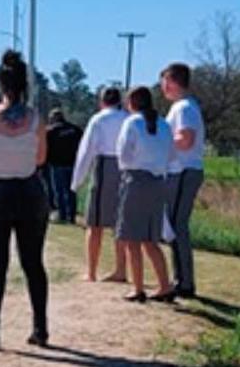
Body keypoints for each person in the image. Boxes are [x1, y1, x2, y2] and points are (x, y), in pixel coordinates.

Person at [0, 51, 51, 350]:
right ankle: (40, 329)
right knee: (33, 263)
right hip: (30, 193)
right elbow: (41, 157)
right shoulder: (36, 120)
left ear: (0, 85)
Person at [113, 86, 176, 304]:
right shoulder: (165, 125)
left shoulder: (132, 123)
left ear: (132, 103)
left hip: (136, 180)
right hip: (158, 182)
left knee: (132, 238)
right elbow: (171, 154)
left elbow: (123, 154)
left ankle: (138, 288)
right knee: (151, 239)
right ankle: (164, 285)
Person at [72, 86, 130, 283]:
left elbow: (86, 151)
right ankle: (121, 269)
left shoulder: (98, 119)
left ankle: (91, 271)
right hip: (126, 168)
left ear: (102, 101)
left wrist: (77, 180)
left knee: (95, 223)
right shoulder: (127, 118)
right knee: (120, 224)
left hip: (105, 165)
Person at [160, 62, 205, 299]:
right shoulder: (184, 107)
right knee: (176, 226)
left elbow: (186, 139)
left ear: (171, 81)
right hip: (184, 170)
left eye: (164, 82)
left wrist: (160, 143)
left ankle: (185, 282)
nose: (163, 88)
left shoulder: (183, 108)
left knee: (177, 226)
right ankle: (181, 278)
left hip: (184, 170)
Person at [44, 108, 83, 224]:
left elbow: (45, 148)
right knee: (71, 191)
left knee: (59, 191)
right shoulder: (75, 129)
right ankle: (71, 216)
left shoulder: (50, 131)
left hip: (57, 165)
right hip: (73, 164)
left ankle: (62, 215)